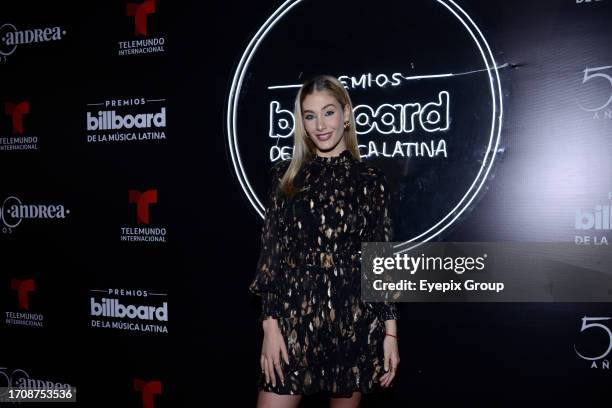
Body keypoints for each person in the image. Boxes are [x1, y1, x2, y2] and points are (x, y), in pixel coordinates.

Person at [249, 74, 400, 408]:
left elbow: (381, 261)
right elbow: (271, 256)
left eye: (328, 112)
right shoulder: (284, 176)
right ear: (301, 121)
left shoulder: (372, 181)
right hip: (294, 316)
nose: (320, 125)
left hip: (354, 316)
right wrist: (270, 328)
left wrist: (390, 334)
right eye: (310, 115)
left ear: (346, 114)